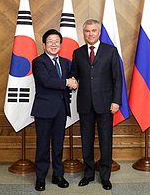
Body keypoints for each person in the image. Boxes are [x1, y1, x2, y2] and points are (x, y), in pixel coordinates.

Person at [70, 19, 122, 190]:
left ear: (99, 33)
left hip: (106, 104)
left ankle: (105, 176)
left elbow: (117, 78)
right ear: (83, 33)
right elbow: (74, 74)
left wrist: (116, 101)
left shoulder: (111, 51)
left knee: (105, 140)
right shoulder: (77, 53)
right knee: (87, 140)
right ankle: (89, 174)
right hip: (85, 104)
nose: (90, 34)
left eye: (93, 31)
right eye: (87, 31)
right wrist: (73, 81)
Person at [31, 29, 77, 191]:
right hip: (43, 110)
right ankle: (41, 177)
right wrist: (67, 82)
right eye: (50, 41)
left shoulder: (65, 62)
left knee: (58, 144)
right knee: (42, 144)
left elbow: (72, 77)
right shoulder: (38, 62)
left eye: (57, 41)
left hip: (61, 110)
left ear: (60, 44)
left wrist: (74, 81)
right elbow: (47, 81)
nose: (54, 44)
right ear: (44, 45)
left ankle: (58, 175)